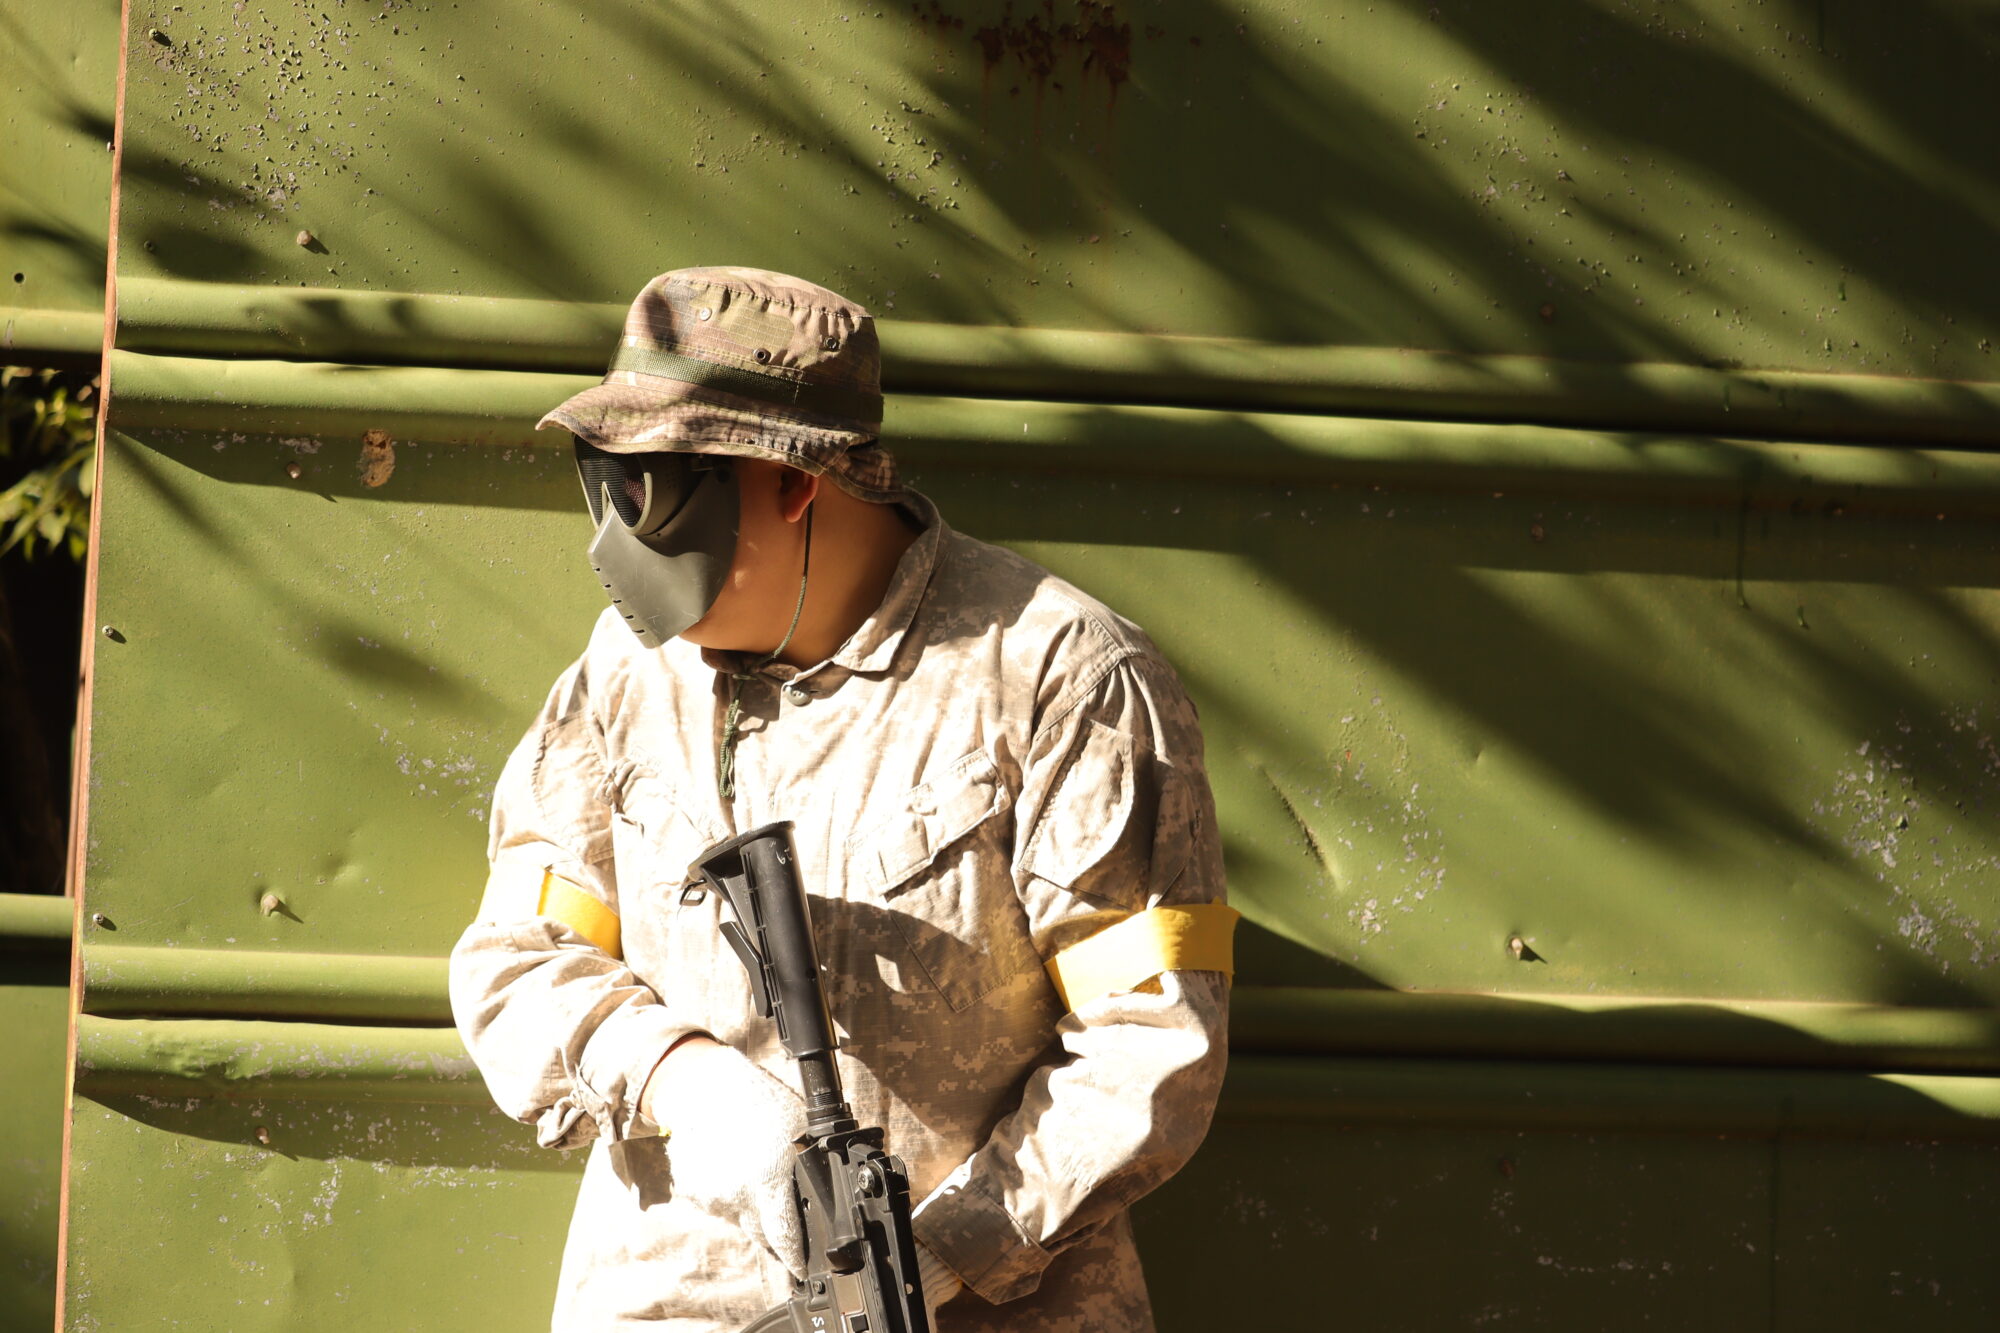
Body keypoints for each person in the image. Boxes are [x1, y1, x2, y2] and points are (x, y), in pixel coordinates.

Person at [449, 266, 1237, 1333]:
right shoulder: (628, 676)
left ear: (795, 479)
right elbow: (517, 957)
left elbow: (1149, 1044)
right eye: (610, 481)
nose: (622, 541)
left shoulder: (1058, 677)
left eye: (661, 488)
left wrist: (925, 1260)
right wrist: (685, 1081)